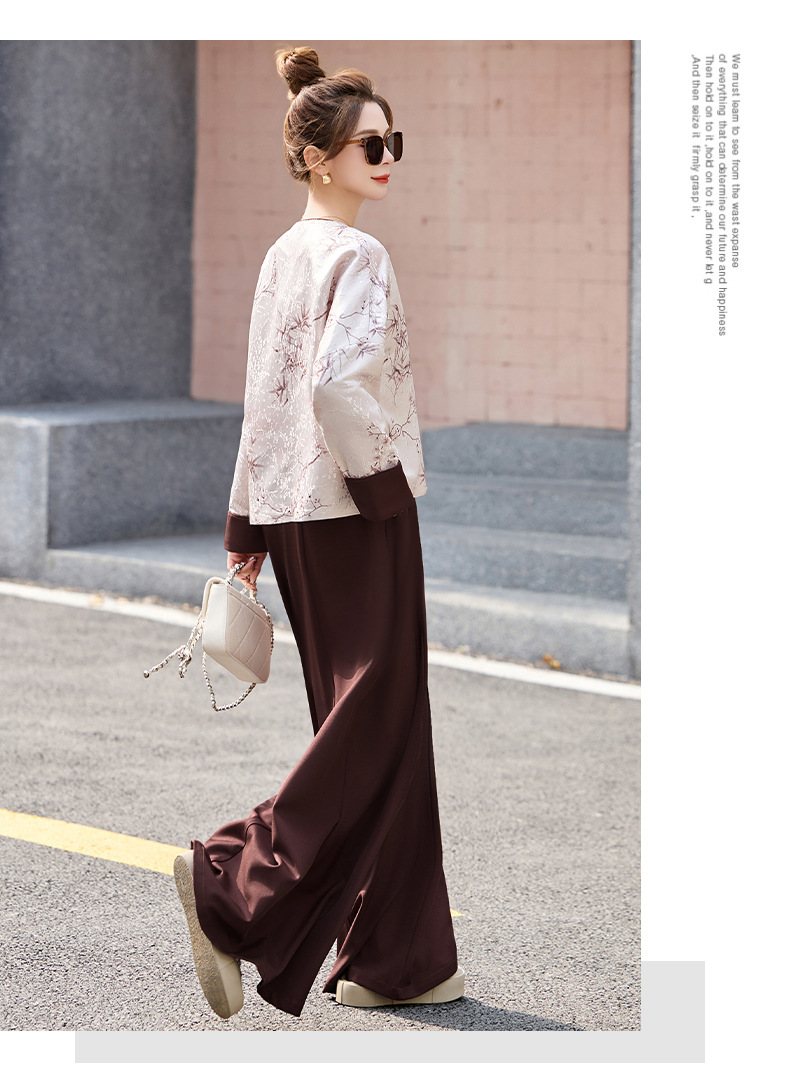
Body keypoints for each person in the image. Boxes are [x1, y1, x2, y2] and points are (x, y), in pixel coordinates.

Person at [173, 45, 462, 1020]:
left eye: (392, 141)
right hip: (355, 509)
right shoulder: (358, 255)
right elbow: (336, 385)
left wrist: (245, 522)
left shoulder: (279, 257)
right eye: (370, 144)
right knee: (376, 720)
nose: (387, 158)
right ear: (317, 157)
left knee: (375, 724)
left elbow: (263, 399)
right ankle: (231, 880)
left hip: (295, 515)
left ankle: (397, 954)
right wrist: (387, 492)